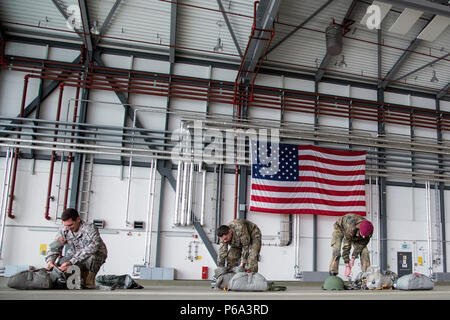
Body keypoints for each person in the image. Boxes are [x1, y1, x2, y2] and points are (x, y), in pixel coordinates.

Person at [45, 208, 108, 288]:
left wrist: (71, 262)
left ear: (78, 219)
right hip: (75, 253)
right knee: (61, 263)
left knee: (92, 260)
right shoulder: (64, 230)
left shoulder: (90, 228)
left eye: (70, 225)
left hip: (95, 254)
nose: (68, 228)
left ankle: (89, 279)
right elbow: (55, 247)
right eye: (66, 225)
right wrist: (50, 261)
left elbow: (93, 248)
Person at [329, 213, 373, 278]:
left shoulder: (369, 230)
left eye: (365, 236)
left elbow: (361, 245)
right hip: (340, 228)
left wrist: (353, 258)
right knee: (336, 251)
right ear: (359, 229)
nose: (364, 237)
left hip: (356, 234)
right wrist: (347, 265)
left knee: (365, 251)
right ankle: (333, 273)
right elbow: (346, 246)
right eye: (363, 235)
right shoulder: (351, 227)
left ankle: (366, 275)